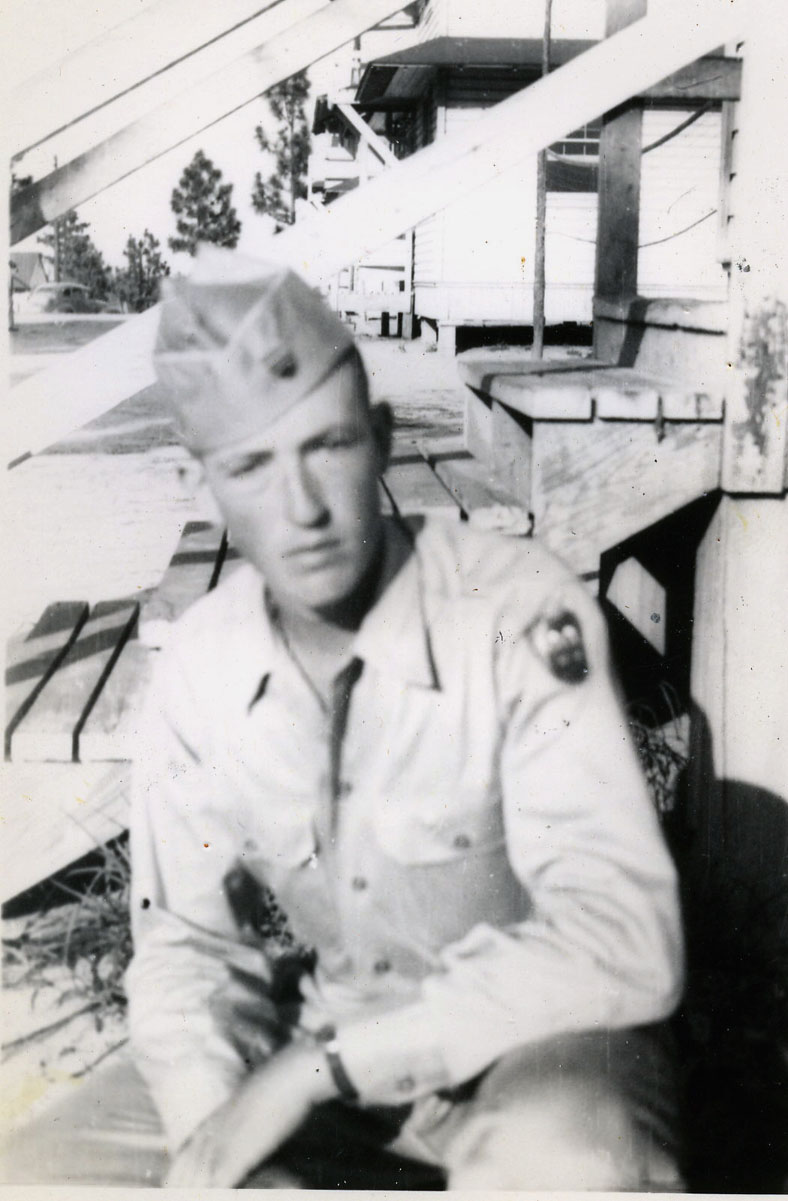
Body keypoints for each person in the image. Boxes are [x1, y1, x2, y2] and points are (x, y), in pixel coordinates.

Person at [4, 246, 682, 1190]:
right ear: (205, 486)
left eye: (328, 446)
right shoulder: (203, 667)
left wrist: (318, 1069)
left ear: (383, 438)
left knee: (571, 1164)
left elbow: (624, 935)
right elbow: (188, 944)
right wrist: (217, 1136)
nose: (303, 508)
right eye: (251, 465)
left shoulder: (516, 612)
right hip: (321, 1046)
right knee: (47, 1170)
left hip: (536, 1048)